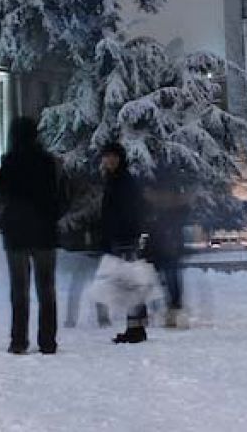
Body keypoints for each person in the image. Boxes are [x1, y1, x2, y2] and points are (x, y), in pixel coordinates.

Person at [0, 115, 66, 355]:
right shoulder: (48, 162)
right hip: (45, 233)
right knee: (46, 289)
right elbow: (59, 195)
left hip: (17, 233)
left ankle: (19, 340)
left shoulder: (9, 162)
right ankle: (47, 341)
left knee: (20, 290)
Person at [98, 141, 149, 344]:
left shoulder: (122, 180)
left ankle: (136, 328)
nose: (109, 160)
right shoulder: (115, 179)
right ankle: (136, 326)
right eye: (106, 156)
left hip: (125, 237)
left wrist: (122, 233)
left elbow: (126, 211)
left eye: (113, 157)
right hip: (122, 237)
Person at [146, 182, 189, 329]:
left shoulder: (167, 211)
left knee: (170, 279)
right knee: (168, 279)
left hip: (167, 247)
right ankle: (171, 311)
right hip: (161, 247)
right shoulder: (161, 211)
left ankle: (172, 311)